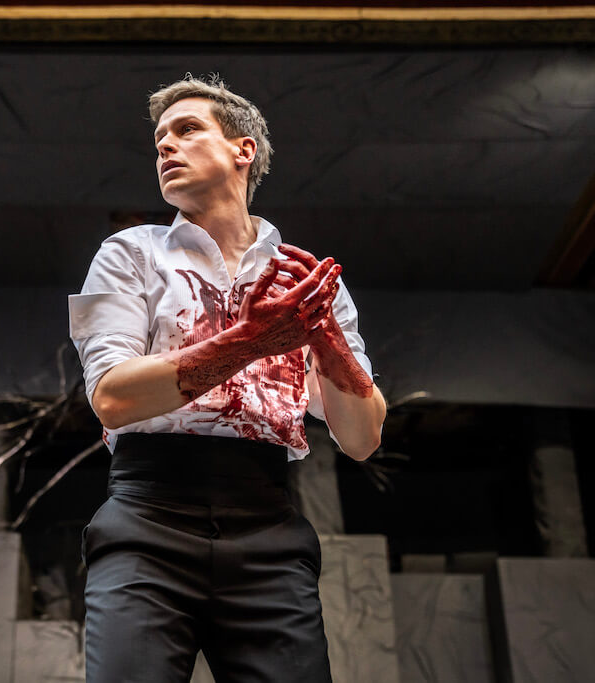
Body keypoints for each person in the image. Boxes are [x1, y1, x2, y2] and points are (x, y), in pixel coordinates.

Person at [69, 74, 386, 683]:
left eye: (187, 129)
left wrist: (325, 338)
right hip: (147, 516)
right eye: (159, 139)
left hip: (268, 523)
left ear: (243, 150)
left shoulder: (308, 282)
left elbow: (362, 438)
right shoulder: (131, 253)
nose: (165, 145)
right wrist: (252, 340)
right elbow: (111, 398)